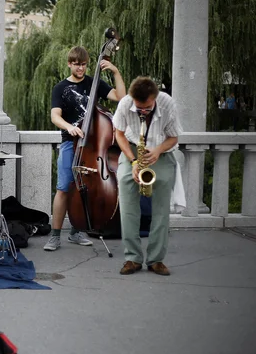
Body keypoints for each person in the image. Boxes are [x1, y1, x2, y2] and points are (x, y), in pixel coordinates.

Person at [43, 46, 126, 251]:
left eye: (83, 64)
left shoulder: (94, 83)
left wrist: (115, 71)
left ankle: (77, 231)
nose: (80, 68)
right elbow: (55, 116)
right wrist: (70, 127)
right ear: (69, 64)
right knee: (63, 188)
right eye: (76, 64)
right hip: (70, 143)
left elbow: (121, 98)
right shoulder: (60, 88)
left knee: (86, 188)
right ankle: (55, 235)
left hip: (93, 146)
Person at [112, 76, 183, 276]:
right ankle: (132, 258)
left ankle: (156, 260)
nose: (142, 112)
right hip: (133, 150)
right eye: (139, 108)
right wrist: (133, 160)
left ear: (155, 98)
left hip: (161, 152)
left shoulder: (167, 103)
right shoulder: (126, 103)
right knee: (127, 208)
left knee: (161, 210)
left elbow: (174, 137)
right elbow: (118, 134)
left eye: (147, 108)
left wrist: (159, 150)